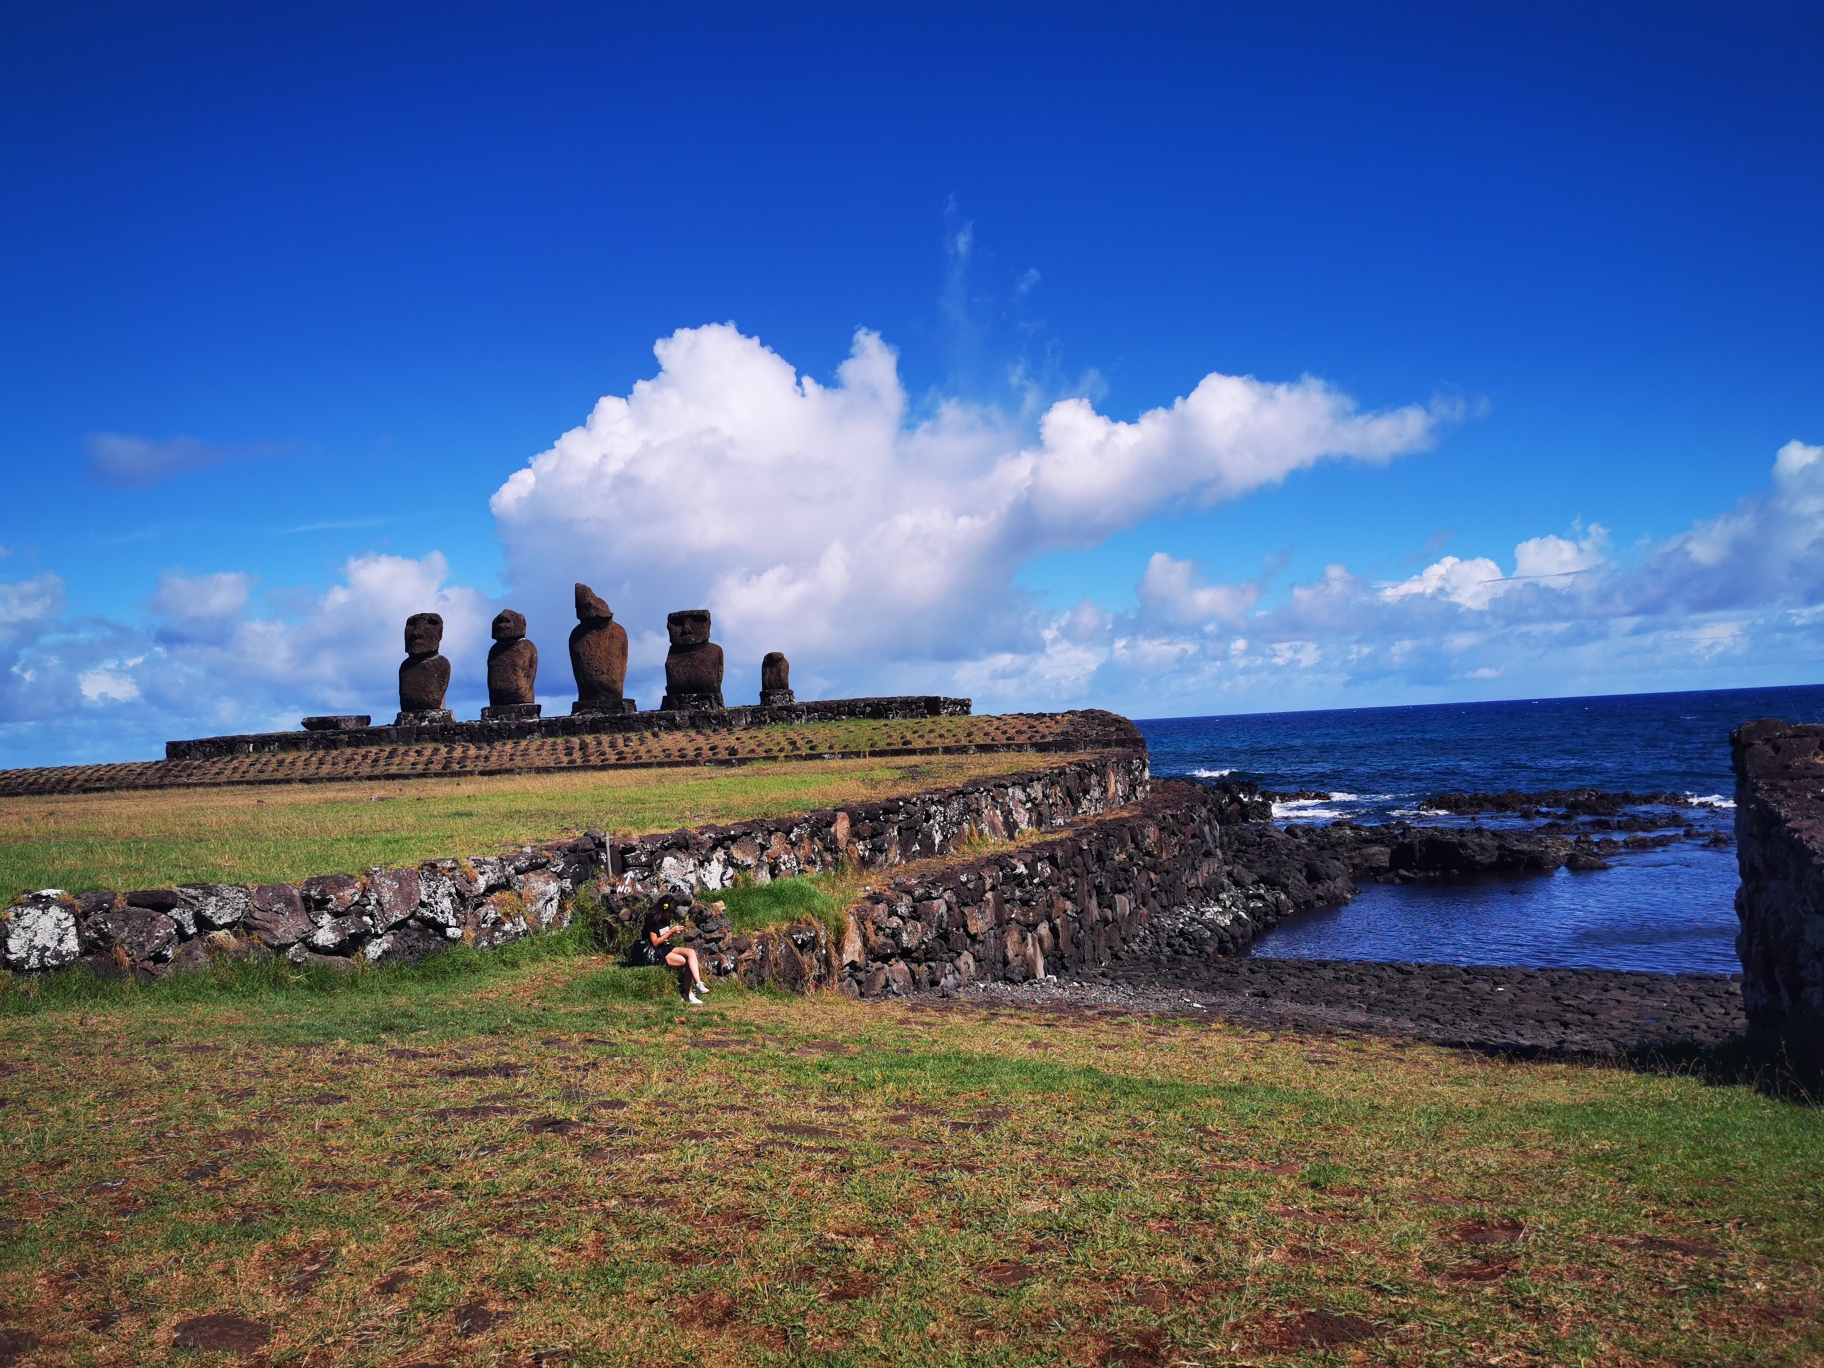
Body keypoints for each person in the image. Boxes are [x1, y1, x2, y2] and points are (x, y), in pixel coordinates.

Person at [630, 892, 712, 1004]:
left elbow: (664, 938)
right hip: (655, 951)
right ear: (663, 910)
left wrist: (673, 932)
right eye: (670, 913)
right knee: (686, 962)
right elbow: (655, 942)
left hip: (666, 946)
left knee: (691, 952)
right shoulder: (653, 921)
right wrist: (670, 932)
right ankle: (688, 994)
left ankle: (698, 984)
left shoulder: (666, 918)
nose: (671, 915)